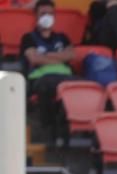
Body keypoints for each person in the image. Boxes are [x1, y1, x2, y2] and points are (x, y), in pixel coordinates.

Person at [20, 0, 77, 143]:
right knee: (47, 86)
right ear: (36, 16)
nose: (47, 16)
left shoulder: (62, 38)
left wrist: (45, 56)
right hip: (41, 78)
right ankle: (49, 128)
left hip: (65, 77)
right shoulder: (28, 38)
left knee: (83, 87)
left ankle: (63, 128)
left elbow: (71, 55)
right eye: (43, 13)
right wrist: (59, 57)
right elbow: (34, 59)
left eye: (51, 13)